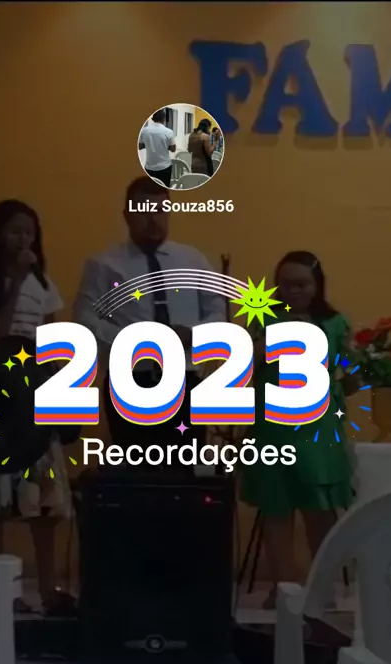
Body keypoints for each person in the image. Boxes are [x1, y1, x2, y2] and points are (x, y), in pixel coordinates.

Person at [0, 199, 74, 615]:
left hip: (34, 394)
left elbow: (52, 339)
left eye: (29, 231)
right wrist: (16, 283)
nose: (22, 238)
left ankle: (46, 590)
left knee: (44, 497)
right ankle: (2, 593)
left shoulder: (44, 284)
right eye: (14, 230)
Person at [73, 175, 227, 456]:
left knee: (185, 464)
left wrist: (194, 333)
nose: (154, 220)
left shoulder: (192, 260)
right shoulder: (104, 264)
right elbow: (85, 319)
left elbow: (218, 310)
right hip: (131, 381)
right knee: (135, 465)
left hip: (186, 381)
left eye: (160, 211)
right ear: (127, 215)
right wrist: (132, 340)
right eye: (144, 212)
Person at [240, 251, 356, 609]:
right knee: (276, 507)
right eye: (286, 284)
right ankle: (283, 588)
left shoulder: (334, 322)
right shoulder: (263, 319)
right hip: (271, 427)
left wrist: (341, 386)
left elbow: (353, 374)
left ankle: (322, 588)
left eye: (302, 284)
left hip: (318, 428)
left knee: (320, 508)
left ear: (317, 285)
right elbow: (241, 369)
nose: (293, 291)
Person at [138, 109, 176, 188]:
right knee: (164, 189)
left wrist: (149, 144)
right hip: (165, 167)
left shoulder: (144, 131)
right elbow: (173, 149)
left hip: (149, 167)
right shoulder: (169, 131)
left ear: (153, 119)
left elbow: (140, 146)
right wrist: (164, 145)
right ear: (164, 119)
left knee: (151, 189)